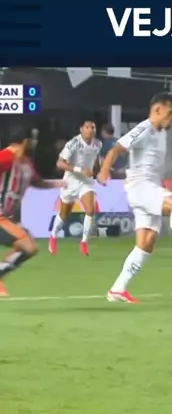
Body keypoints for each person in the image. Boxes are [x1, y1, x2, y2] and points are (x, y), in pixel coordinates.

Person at [97, 92, 172, 304]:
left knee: (146, 243)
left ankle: (117, 289)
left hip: (150, 187)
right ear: (157, 110)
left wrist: (161, 186)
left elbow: (152, 165)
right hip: (140, 186)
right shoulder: (144, 128)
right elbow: (116, 149)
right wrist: (104, 171)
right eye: (170, 112)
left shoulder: (161, 133)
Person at [0, 126, 61, 297]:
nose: (35, 142)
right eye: (34, 139)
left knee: (30, 248)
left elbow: (38, 182)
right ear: (26, 141)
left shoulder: (25, 163)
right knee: (26, 245)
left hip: (8, 218)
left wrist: (61, 184)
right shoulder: (6, 157)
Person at [49, 120, 102, 257]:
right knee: (64, 214)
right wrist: (80, 170)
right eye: (87, 127)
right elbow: (60, 163)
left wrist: (100, 172)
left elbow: (95, 159)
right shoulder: (73, 143)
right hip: (71, 181)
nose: (90, 130)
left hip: (86, 182)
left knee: (90, 210)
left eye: (93, 127)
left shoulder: (98, 144)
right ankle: (53, 235)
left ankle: (84, 242)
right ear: (81, 129)